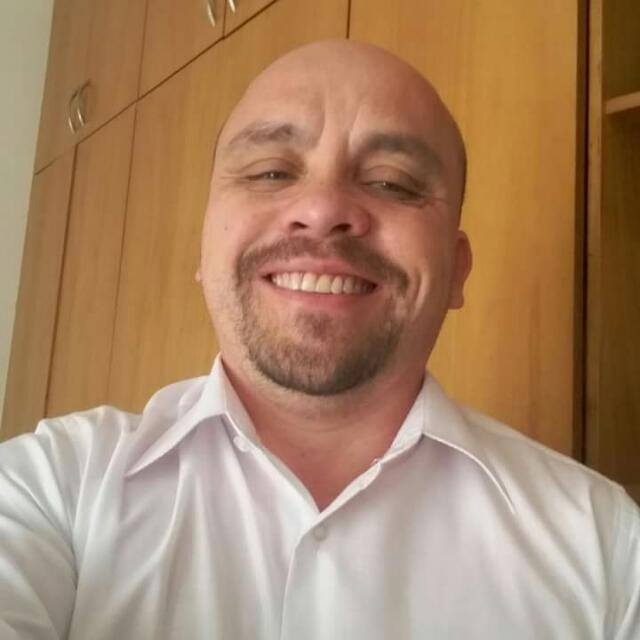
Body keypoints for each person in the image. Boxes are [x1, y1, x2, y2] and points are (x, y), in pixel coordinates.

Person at [0, 39, 638, 640]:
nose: (324, 208)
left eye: (391, 182)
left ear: (456, 271)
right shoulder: (48, 489)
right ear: (204, 249)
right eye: (271, 172)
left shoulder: (606, 546)